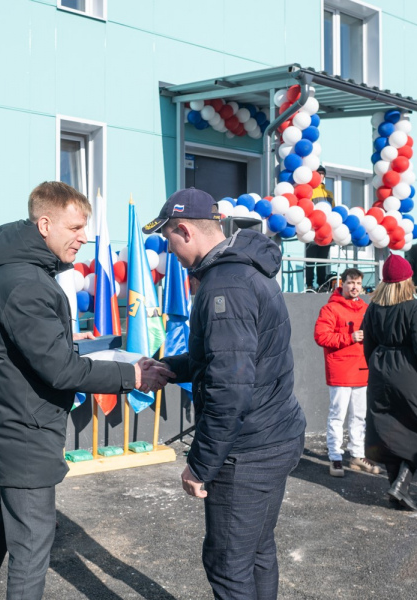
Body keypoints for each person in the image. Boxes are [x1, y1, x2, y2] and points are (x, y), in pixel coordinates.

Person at [0, 181, 173, 600]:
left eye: (86, 227)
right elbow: (60, 369)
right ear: (44, 224)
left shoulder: (20, 273)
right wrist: (133, 378)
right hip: (23, 435)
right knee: (32, 547)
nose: (85, 237)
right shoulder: (27, 284)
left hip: (12, 428)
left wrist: (123, 365)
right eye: (75, 227)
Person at [146, 187, 307, 600]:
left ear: (184, 230)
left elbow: (229, 388)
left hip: (248, 451)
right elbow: (231, 359)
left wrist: (199, 466)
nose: (171, 252)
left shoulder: (224, 286)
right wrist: (169, 367)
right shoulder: (242, 270)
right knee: (256, 551)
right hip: (273, 436)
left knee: (228, 565)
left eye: (169, 240)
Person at [362, 253, 417, 511]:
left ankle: (397, 491)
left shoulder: (373, 308)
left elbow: (368, 346)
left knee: (388, 430)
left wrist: (379, 368)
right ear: (407, 281)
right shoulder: (416, 309)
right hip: (409, 376)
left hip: (380, 374)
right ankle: (400, 485)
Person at [314, 268, 381, 477]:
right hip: (340, 370)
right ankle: (335, 457)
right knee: (337, 415)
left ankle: (357, 455)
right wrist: (349, 337)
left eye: (358, 283)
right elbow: (321, 337)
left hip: (362, 369)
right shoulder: (330, 309)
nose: (355, 287)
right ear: (342, 284)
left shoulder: (366, 308)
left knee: (359, 416)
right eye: (351, 283)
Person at [305, 165, 335, 291]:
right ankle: (310, 285)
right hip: (312, 230)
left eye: (322, 173)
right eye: (319, 173)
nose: (321, 175)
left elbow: (333, 211)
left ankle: (322, 285)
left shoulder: (329, 193)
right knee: (310, 260)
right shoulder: (309, 191)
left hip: (325, 231)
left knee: (323, 260)